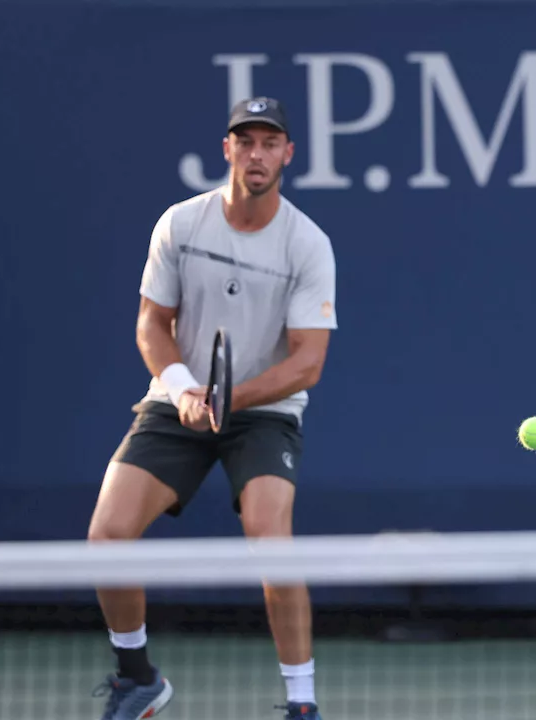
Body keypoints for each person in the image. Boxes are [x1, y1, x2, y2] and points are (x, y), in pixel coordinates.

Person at [87, 97, 338, 720]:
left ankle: (302, 706)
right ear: (227, 149)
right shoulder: (181, 224)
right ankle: (137, 676)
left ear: (288, 155)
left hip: (264, 410)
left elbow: (308, 363)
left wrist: (229, 399)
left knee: (270, 539)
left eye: (269, 143)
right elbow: (153, 324)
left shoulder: (307, 244)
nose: (257, 154)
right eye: (245, 142)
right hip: (179, 401)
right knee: (106, 536)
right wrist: (184, 388)